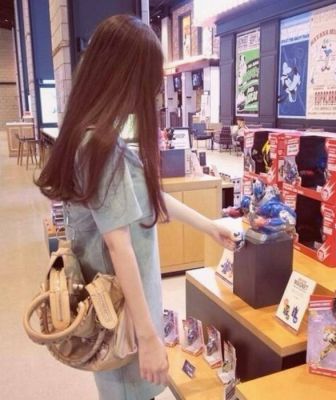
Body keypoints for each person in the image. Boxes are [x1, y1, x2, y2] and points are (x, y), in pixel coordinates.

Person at [35, 15, 237, 400]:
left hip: (120, 309)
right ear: (126, 77)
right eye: (149, 80)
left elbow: (150, 198)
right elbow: (119, 247)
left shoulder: (91, 136)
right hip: (123, 317)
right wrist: (147, 338)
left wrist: (209, 226)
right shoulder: (100, 148)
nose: (154, 93)